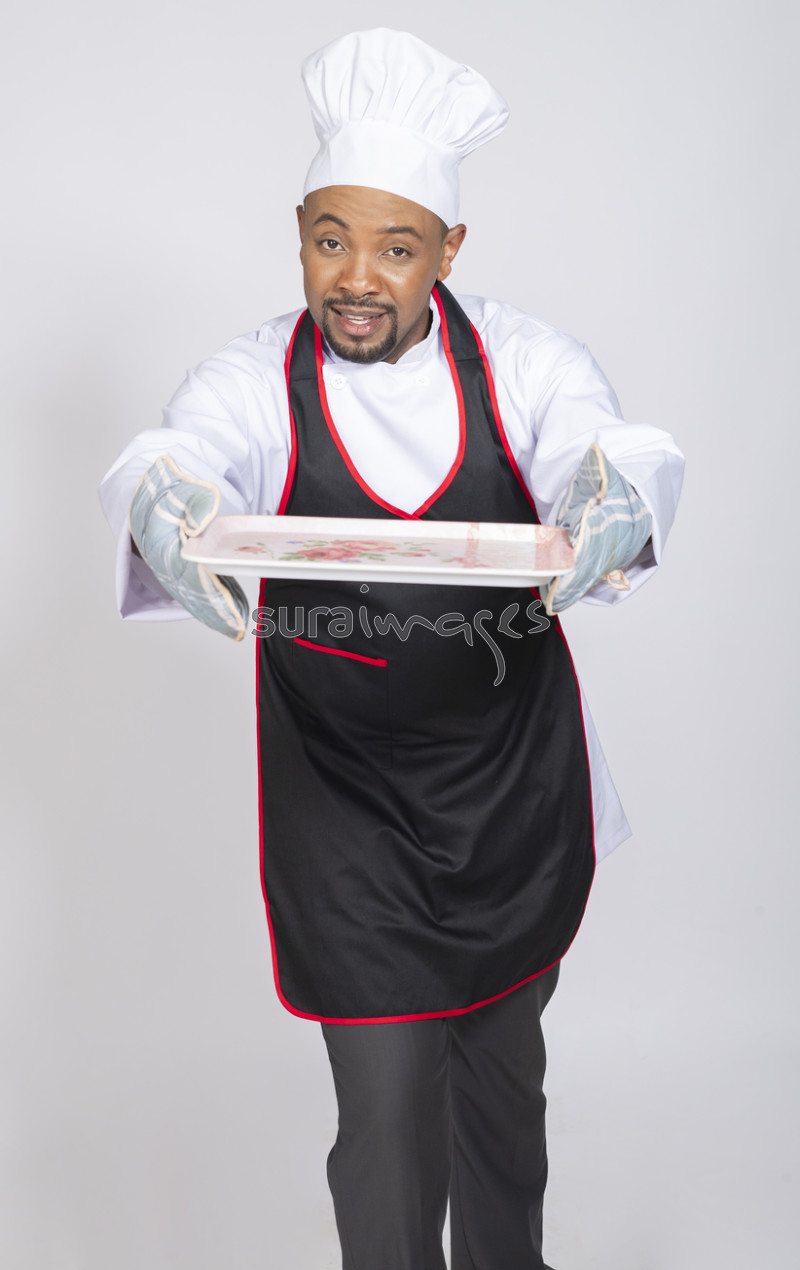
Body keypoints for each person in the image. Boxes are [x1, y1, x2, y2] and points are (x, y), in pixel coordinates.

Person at [100, 28, 684, 1270]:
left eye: (396, 248)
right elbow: (181, 449)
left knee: (500, 1098)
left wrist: (612, 498)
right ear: (299, 233)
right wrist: (165, 500)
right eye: (331, 241)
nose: (357, 278)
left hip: (507, 797)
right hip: (346, 810)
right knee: (383, 1114)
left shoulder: (521, 361)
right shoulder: (257, 378)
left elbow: (607, 445)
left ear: (448, 250)